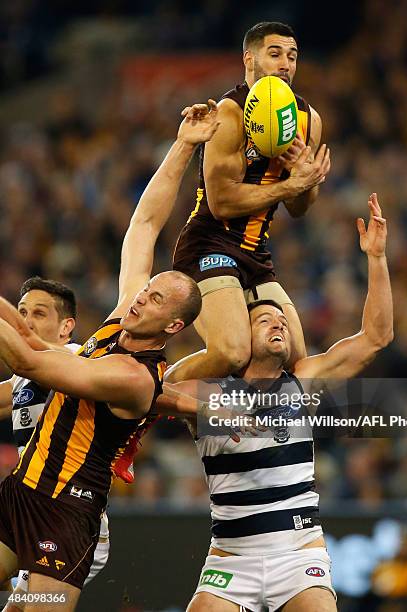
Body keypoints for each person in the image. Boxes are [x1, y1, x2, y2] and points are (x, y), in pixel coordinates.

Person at [0, 100, 219, 612]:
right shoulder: (119, 325)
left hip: (66, 517)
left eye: (156, 298)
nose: (141, 296)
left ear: (173, 326)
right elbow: (143, 226)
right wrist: (185, 144)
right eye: (148, 290)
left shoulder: (134, 378)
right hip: (20, 493)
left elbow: (29, 362)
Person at [176, 193, 393, 611]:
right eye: (264, 320)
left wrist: (377, 259)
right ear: (242, 334)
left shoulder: (303, 383)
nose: (278, 322)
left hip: (299, 555)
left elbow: (376, 338)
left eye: (282, 320)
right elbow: (154, 392)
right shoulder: (207, 392)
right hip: (229, 560)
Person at [169, 21, 331, 382]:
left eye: (292, 56)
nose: (285, 63)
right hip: (209, 243)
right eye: (274, 54)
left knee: (297, 361)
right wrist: (291, 187)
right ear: (249, 58)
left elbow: (300, 209)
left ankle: (268, 434)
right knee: (232, 352)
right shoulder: (229, 113)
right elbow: (222, 202)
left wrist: (307, 181)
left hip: (255, 253)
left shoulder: (308, 119)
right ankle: (158, 387)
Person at [0, 277, 110, 612]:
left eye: (39, 313)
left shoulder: (77, 360)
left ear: (67, 327)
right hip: (26, 506)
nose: (27, 321)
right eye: (21, 311)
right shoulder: (23, 376)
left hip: (67, 519)